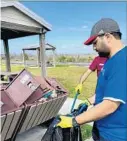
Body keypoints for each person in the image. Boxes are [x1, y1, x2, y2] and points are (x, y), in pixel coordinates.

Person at [57, 18, 127, 141]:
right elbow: (107, 92)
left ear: (108, 37)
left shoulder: (122, 61)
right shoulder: (111, 60)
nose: (94, 48)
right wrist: (88, 102)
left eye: (95, 42)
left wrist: (74, 121)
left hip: (115, 135)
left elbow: (110, 105)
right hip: (103, 127)